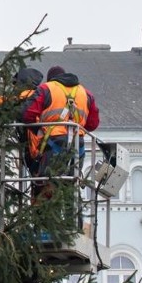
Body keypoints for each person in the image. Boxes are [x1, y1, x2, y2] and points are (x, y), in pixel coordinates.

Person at [20, 65, 100, 197]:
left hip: (53, 143)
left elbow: (27, 114)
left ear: (51, 79)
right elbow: (92, 124)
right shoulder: (86, 93)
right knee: (72, 186)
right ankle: (74, 217)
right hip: (77, 145)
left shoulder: (46, 88)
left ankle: (46, 217)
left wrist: (38, 131)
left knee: (47, 186)